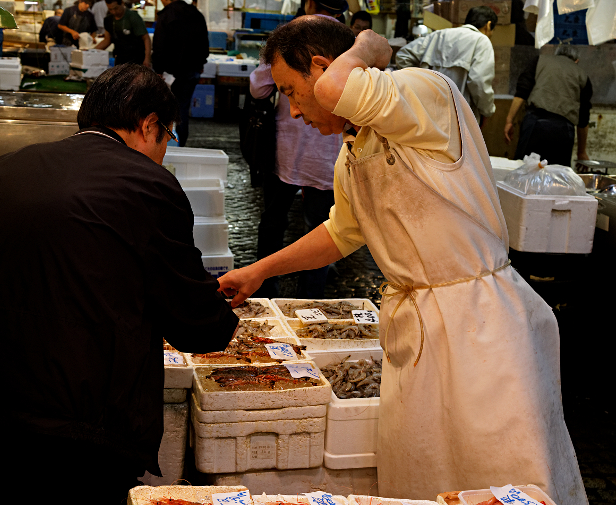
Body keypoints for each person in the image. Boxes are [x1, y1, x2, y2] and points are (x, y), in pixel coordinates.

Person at [218, 16, 588, 504]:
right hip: (414, 336)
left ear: (322, 66)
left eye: (291, 90)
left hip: (482, 327)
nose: (292, 109)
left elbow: (334, 87)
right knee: (426, 483)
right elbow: (340, 233)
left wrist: (370, 45)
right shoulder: (352, 153)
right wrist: (260, 270)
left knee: (502, 480)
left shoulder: (424, 91)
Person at [0, 63, 238, 505]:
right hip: (72, 429)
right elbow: (197, 326)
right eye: (167, 137)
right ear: (148, 125)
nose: (165, 151)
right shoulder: (149, 185)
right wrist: (219, 310)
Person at [250, 3, 347, 299]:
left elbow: (257, 87)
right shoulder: (350, 44)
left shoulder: (289, 41)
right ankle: (309, 299)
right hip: (327, 159)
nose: (294, 109)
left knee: (274, 221)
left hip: (287, 154)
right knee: (322, 228)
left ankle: (265, 290)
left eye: (290, 92)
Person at [395, 6, 497, 124]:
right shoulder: (481, 40)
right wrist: (487, 110)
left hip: (427, 113)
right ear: (488, 25)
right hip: (459, 118)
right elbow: (479, 81)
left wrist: (418, 85)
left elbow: (403, 56)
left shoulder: (438, 35)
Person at [504, 45, 592, 166]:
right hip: (563, 131)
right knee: (557, 176)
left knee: (524, 170)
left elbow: (522, 91)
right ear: (577, 60)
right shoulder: (583, 76)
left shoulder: (539, 60)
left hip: (535, 124)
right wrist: (581, 152)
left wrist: (509, 120)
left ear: (555, 54)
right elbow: (583, 119)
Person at [152, 0, 209, 146]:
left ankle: (168, 143)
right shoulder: (196, 14)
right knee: (182, 108)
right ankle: (180, 143)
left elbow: (158, 45)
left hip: (171, 73)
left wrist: (158, 70)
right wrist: (201, 63)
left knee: (167, 109)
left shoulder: (165, 16)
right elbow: (205, 43)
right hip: (192, 71)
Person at [95, 0, 151, 67]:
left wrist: (147, 59)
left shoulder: (133, 17)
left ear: (122, 3)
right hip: (119, 58)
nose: (113, 12)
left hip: (136, 58)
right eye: (110, 9)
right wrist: (92, 51)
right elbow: (107, 40)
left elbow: (146, 38)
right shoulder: (108, 20)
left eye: (116, 8)